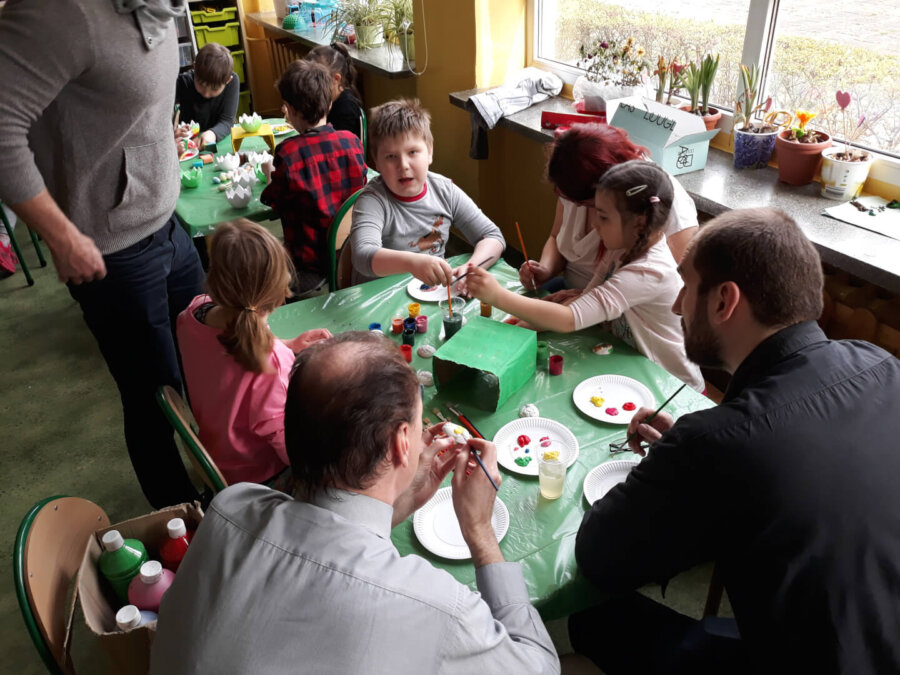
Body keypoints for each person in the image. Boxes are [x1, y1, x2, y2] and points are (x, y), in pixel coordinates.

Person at [570, 208, 900, 674]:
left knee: (596, 621)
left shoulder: (717, 444)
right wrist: (691, 459)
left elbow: (600, 556)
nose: (678, 305)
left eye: (687, 286)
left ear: (725, 300)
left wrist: (681, 459)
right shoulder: (879, 362)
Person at [150, 332, 560, 674]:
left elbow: (328, 543)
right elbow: (539, 665)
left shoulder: (231, 505)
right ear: (403, 443)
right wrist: (479, 531)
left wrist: (404, 499)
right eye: (419, 426)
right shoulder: (438, 608)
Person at [0, 0, 205, 508]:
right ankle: (181, 516)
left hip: (167, 224)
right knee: (154, 398)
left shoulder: (159, 7)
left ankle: (224, 478)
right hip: (111, 249)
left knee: (206, 359)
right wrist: (61, 235)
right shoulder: (62, 11)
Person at [467, 160, 703, 391]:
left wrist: (497, 296)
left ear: (639, 225)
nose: (594, 224)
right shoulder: (620, 249)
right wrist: (524, 324)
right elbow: (586, 296)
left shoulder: (647, 271)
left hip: (671, 384)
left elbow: (569, 318)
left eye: (602, 217)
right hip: (636, 361)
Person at [176, 219, 331, 486]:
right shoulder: (270, 361)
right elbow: (286, 446)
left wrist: (287, 343)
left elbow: (235, 349)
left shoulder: (192, 314)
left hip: (218, 453)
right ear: (280, 294)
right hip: (259, 477)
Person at [519, 124, 698, 292]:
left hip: (623, 311)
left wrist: (583, 303)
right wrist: (545, 269)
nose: (596, 223)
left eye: (588, 205)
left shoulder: (667, 206)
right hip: (583, 295)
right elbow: (556, 236)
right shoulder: (574, 180)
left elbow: (674, 291)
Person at [349, 98, 506, 289]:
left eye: (413, 152)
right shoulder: (372, 200)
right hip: (380, 299)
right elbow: (362, 256)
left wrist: (470, 268)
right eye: (391, 156)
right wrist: (413, 263)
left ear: (430, 152)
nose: (403, 165)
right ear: (377, 162)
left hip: (429, 296)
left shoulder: (445, 191)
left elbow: (492, 236)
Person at [261, 59, 367, 295]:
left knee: (261, 263)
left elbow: (275, 202)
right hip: (351, 254)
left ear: (289, 109)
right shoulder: (352, 142)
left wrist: (269, 173)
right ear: (330, 104)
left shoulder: (288, 153)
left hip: (307, 267)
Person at [174, 42, 239, 148]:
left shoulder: (232, 82)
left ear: (228, 80)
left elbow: (227, 121)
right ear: (195, 68)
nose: (206, 93)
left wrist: (212, 133)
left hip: (220, 140)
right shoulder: (182, 82)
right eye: (201, 84)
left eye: (214, 88)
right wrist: (174, 132)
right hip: (188, 143)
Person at [305, 42, 364, 138]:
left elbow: (336, 147)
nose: (311, 83)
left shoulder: (346, 108)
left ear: (336, 79)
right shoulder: (327, 98)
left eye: (317, 79)